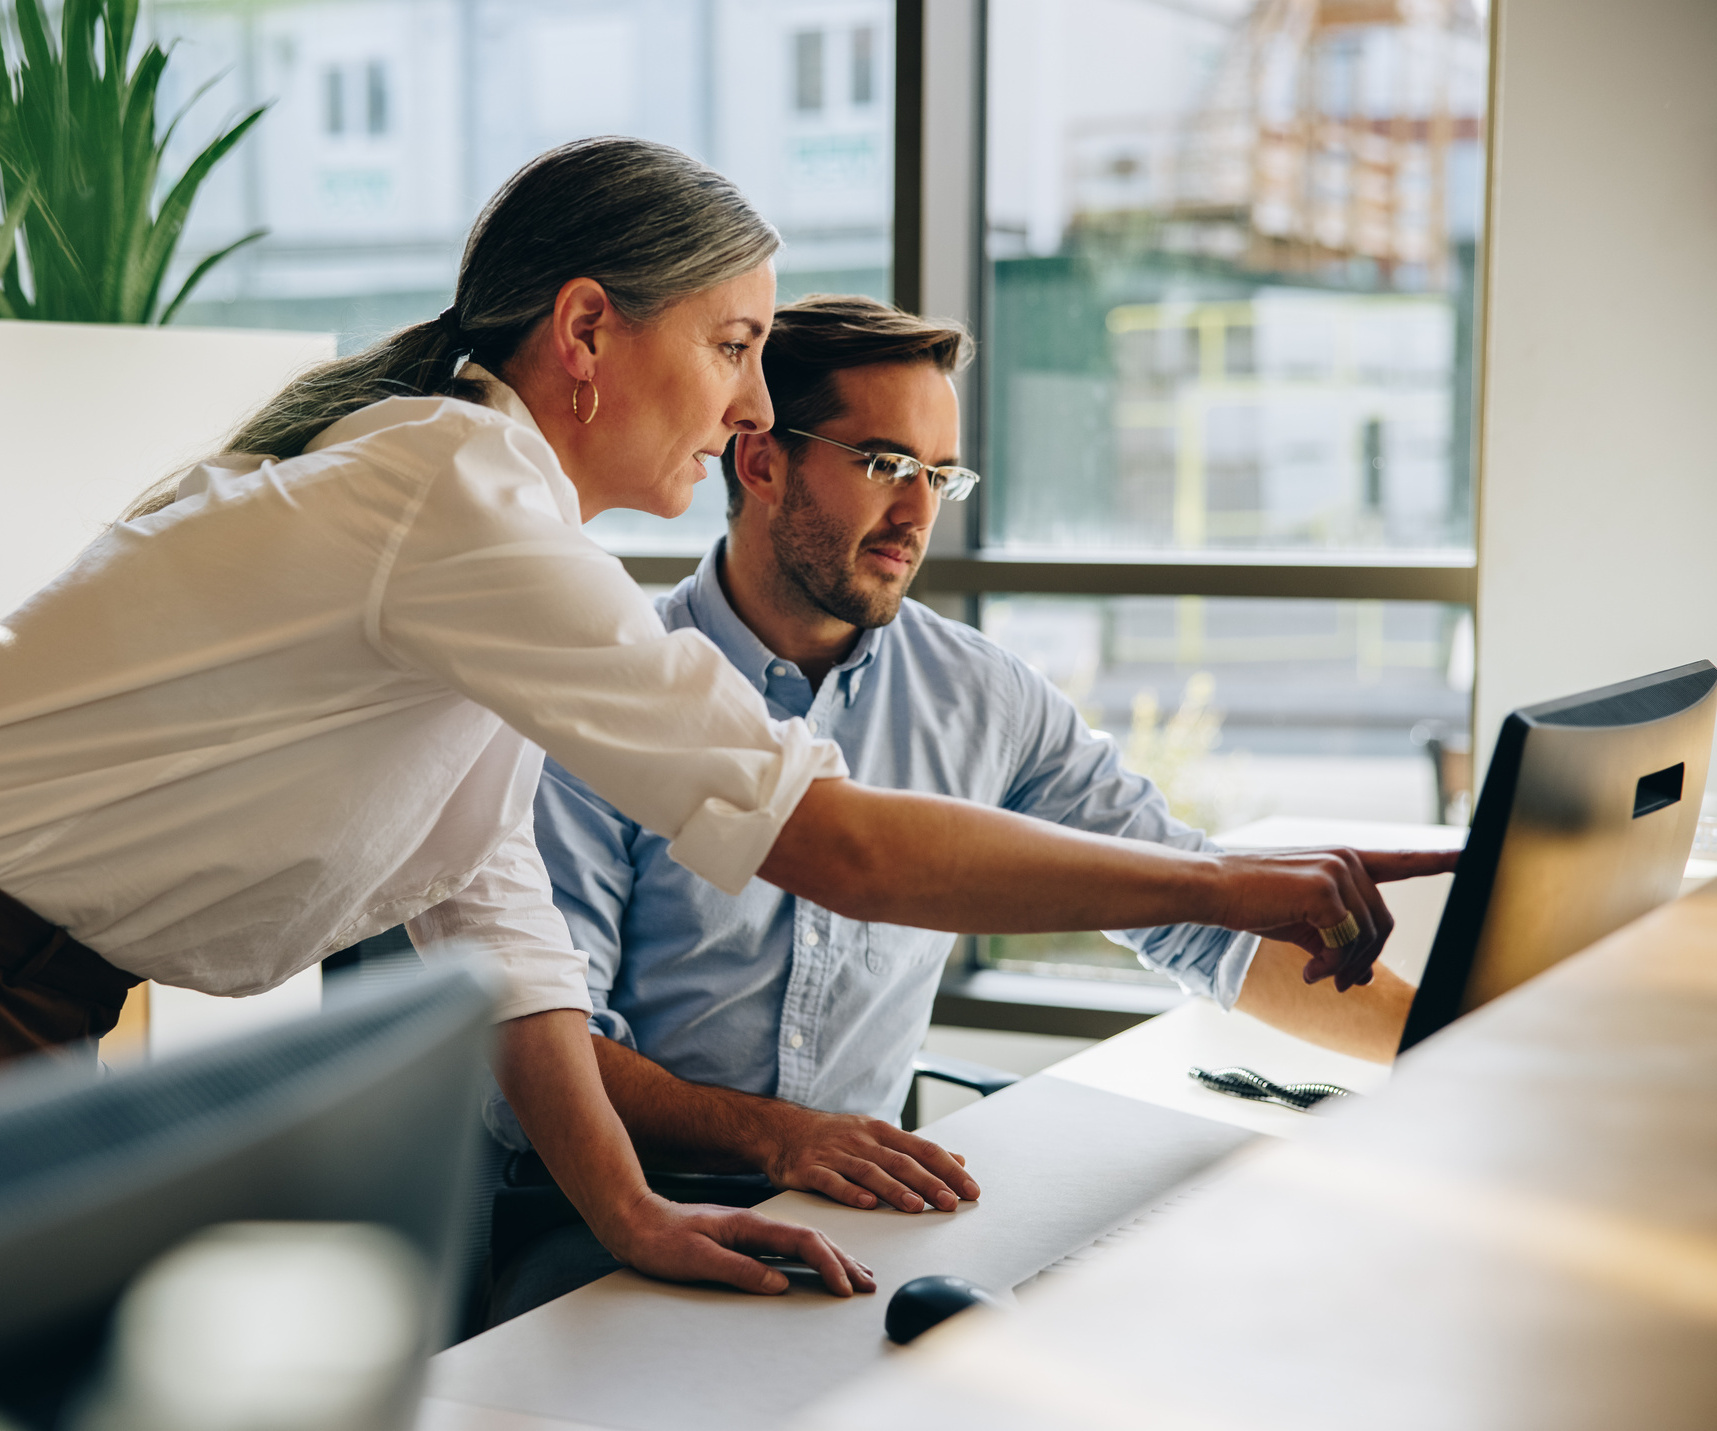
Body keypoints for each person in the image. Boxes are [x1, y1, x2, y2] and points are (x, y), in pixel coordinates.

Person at [0, 138, 1452, 1301]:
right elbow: (838, 848)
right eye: (732, 341)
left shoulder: (486, 534)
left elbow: (489, 914)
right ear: (586, 330)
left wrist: (629, 1211)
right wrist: (1224, 879)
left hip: (47, 988)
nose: (748, 399)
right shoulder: (460, 503)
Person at [484, 295, 1432, 1313]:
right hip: (606, 1213)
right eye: (887, 465)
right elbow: (548, 1040)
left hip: (857, 1212)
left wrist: (1446, 1056)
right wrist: (780, 1134)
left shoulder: (980, 697)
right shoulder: (606, 687)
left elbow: (1198, 918)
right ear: (760, 461)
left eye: (940, 476)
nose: (919, 514)